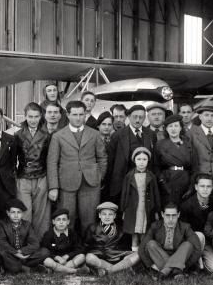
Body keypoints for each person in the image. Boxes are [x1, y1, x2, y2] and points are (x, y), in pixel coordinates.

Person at [47, 100, 107, 239]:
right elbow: (52, 162)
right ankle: (67, 246)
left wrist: (99, 177)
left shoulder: (94, 134)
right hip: (66, 183)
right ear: (67, 115)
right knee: (67, 218)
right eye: (75, 114)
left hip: (90, 183)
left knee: (89, 219)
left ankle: (88, 249)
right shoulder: (58, 136)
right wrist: (53, 187)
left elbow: (102, 158)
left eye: (81, 114)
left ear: (86, 114)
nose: (78, 118)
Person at [15, 102, 52, 239]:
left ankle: (41, 242)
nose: (33, 120)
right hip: (23, 176)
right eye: (30, 116)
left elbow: (50, 158)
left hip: (41, 176)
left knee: (41, 214)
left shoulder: (47, 135)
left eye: (36, 116)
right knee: (25, 212)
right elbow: (14, 159)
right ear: (25, 116)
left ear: (41, 116)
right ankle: (24, 241)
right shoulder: (17, 135)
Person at [138, 202, 202, 280]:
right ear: (162, 214)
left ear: (178, 215)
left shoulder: (185, 227)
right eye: (168, 215)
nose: (171, 219)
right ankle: (176, 271)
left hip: (179, 256)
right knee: (150, 244)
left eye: (174, 215)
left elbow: (197, 247)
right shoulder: (155, 226)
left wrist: (184, 264)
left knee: (188, 245)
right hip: (161, 257)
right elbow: (141, 248)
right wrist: (151, 265)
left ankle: (164, 273)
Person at [106, 104, 154, 201]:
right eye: (135, 117)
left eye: (141, 117)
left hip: (144, 180)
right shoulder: (117, 135)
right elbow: (110, 161)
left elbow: (153, 160)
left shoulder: (151, 134)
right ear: (128, 117)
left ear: (145, 118)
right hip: (122, 181)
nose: (137, 120)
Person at [120, 147, 161, 251]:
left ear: (148, 161)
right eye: (139, 159)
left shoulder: (151, 176)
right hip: (133, 208)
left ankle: (143, 251)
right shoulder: (129, 176)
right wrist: (124, 209)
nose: (141, 162)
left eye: (144, 159)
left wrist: (157, 210)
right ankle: (134, 250)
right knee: (135, 229)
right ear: (134, 160)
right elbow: (125, 194)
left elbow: (155, 194)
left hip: (146, 207)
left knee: (145, 229)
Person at [85, 202, 140, 276]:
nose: (107, 217)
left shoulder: (121, 229)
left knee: (138, 254)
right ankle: (120, 270)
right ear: (99, 215)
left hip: (117, 257)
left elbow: (126, 247)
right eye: (104, 214)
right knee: (89, 257)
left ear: (114, 216)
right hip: (100, 257)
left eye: (110, 214)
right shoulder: (92, 227)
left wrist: (121, 255)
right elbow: (86, 245)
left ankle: (108, 271)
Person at [0, 199, 50, 274]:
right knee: (0, 250)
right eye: (13, 212)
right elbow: (2, 241)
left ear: (22, 214)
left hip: (24, 255)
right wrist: (16, 253)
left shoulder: (27, 225)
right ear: (8, 213)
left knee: (45, 251)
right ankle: (25, 268)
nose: (16, 215)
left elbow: (35, 243)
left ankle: (16, 267)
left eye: (19, 212)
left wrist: (21, 252)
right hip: (11, 254)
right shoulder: (3, 224)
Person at [187, 102, 213, 195]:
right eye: (206, 115)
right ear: (200, 117)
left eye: (212, 115)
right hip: (200, 181)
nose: (209, 118)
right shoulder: (191, 134)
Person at [154, 114, 196, 205]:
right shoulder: (160, 144)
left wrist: (191, 185)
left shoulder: (188, 143)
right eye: (170, 126)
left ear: (181, 128)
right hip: (168, 181)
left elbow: (194, 167)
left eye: (176, 126)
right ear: (166, 129)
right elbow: (156, 166)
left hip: (185, 181)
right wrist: (162, 181)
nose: (173, 129)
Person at [41, 208, 86, 274]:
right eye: (58, 220)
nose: (61, 222)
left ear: (68, 221)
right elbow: (44, 250)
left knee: (82, 257)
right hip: (55, 260)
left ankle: (57, 270)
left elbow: (80, 249)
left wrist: (67, 256)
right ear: (53, 222)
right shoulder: (48, 234)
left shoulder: (72, 233)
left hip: (68, 261)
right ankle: (74, 271)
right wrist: (56, 257)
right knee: (47, 261)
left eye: (64, 219)